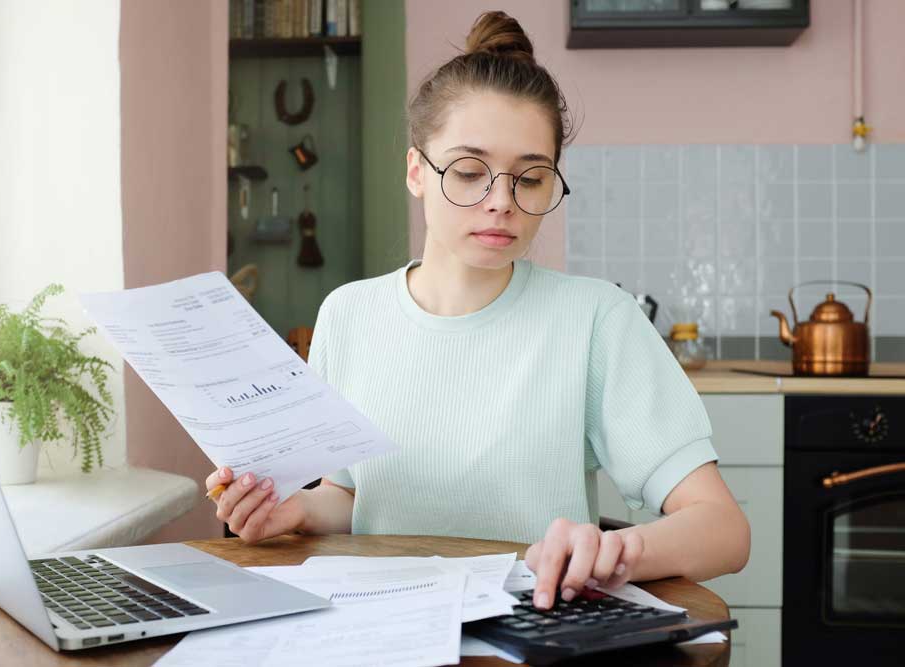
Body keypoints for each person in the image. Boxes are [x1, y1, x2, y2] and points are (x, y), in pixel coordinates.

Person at [207, 10, 750, 612]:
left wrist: (612, 551)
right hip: (382, 627)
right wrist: (297, 511)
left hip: (534, 629)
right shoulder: (348, 315)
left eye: (531, 177)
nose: (501, 203)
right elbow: (353, 496)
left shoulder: (597, 319)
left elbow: (723, 530)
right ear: (417, 171)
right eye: (469, 172)